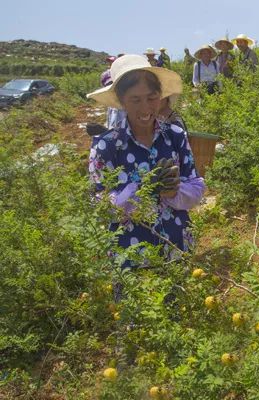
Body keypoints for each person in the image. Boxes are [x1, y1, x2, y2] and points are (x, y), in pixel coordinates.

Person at [87, 54, 205, 267]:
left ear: (160, 96)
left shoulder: (175, 136)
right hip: (130, 255)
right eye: (135, 100)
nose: (145, 108)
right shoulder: (107, 146)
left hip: (176, 245)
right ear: (122, 102)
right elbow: (101, 206)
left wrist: (174, 192)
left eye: (151, 98)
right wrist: (141, 192)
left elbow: (195, 187)